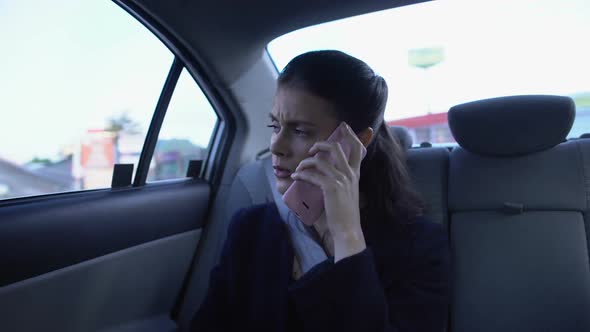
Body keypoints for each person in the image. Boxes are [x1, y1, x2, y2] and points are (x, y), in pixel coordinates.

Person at [191, 50, 450, 332]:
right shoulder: (250, 229)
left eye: (300, 131)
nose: (276, 146)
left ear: (356, 142)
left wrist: (346, 235)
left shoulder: (418, 245)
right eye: (275, 126)